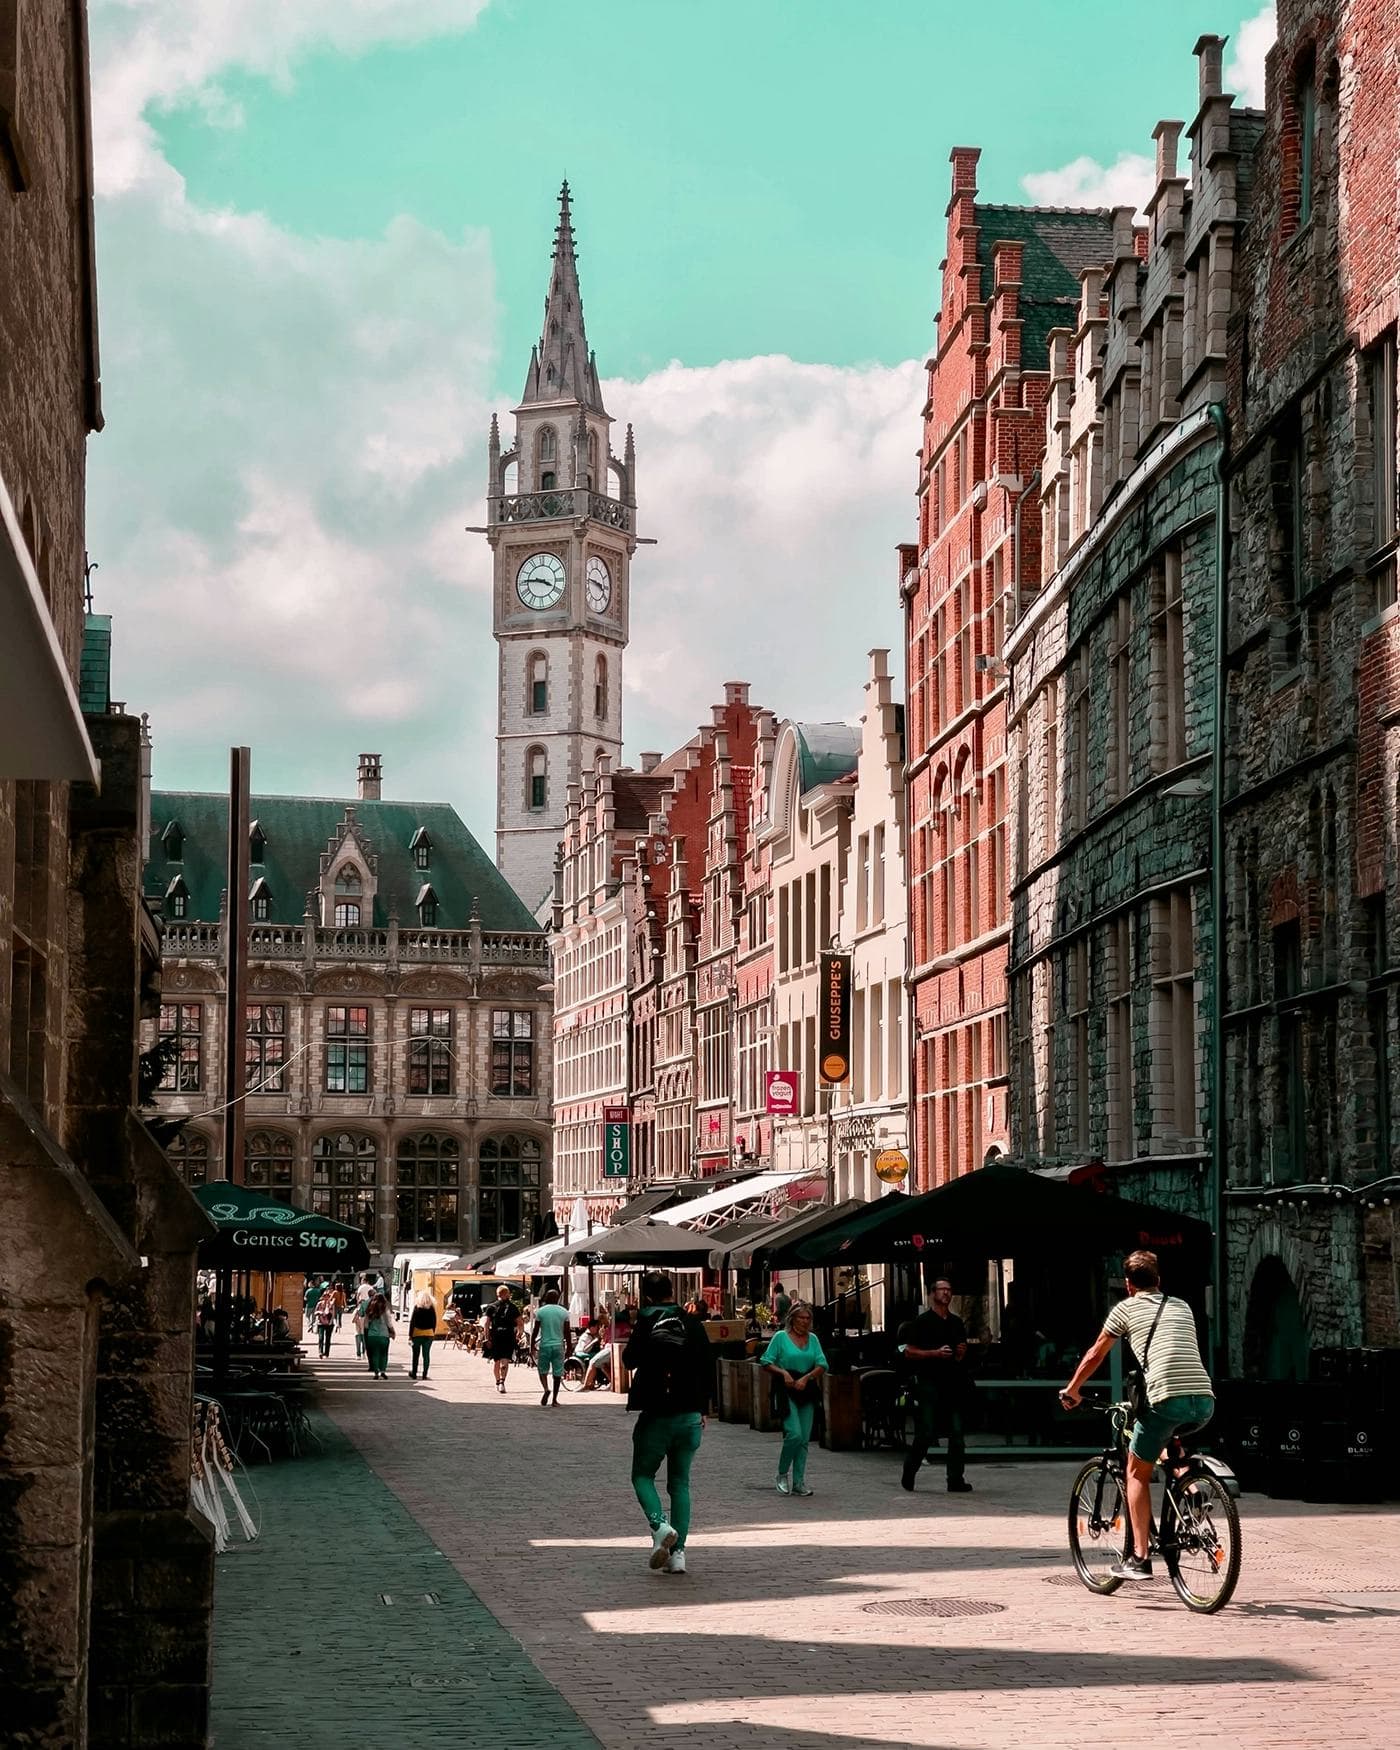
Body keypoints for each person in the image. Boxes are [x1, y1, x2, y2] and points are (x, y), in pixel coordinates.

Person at [1060, 1249, 1214, 1581]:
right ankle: (1191, 1490)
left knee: (1136, 1472)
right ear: (1159, 1281)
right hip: (1203, 1400)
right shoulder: (1181, 1306)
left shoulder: (1124, 1310)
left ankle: (1140, 1557)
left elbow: (1095, 1353)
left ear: (1128, 1285)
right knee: (1169, 1440)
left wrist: (1072, 1389)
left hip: (1164, 1398)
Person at [622, 1270, 714, 1577]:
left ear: (646, 1295)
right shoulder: (692, 1323)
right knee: (680, 1484)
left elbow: (629, 1360)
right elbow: (707, 1363)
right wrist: (704, 1407)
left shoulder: (647, 1320)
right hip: (690, 1415)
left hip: (658, 1413)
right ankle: (679, 1555)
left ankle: (660, 1525)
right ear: (672, 1290)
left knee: (642, 1476)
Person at [899, 1278, 973, 1493]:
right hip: (929, 1383)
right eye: (943, 1290)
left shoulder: (956, 1322)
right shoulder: (921, 1322)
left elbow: (960, 1353)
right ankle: (910, 1470)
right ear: (933, 1293)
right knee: (926, 1432)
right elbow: (908, 1351)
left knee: (957, 1433)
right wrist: (934, 1353)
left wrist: (960, 1354)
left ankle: (955, 1479)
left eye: (949, 1290)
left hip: (953, 1384)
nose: (947, 1294)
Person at [762, 1302, 828, 1496]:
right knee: (794, 1434)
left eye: (808, 1318)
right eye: (801, 1318)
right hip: (786, 1390)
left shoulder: (813, 1339)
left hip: (806, 1390)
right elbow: (766, 1361)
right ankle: (782, 1474)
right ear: (792, 1318)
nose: (805, 1322)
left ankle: (799, 1481)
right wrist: (783, 1373)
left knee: (804, 1439)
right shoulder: (781, 1338)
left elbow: (822, 1364)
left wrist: (807, 1377)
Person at [533, 1287, 570, 1406]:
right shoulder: (564, 1312)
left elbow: (536, 1329)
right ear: (557, 1298)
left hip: (545, 1345)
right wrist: (569, 1347)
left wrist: (532, 1344)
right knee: (557, 1373)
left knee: (542, 1370)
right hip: (559, 1346)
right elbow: (567, 1332)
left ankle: (545, 1389)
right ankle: (554, 1399)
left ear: (546, 1298)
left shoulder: (540, 1311)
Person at [486, 1285, 522, 1393]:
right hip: (508, 1335)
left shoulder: (491, 1307)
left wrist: (487, 1338)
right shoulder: (513, 1307)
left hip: (496, 1336)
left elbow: (486, 1324)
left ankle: (499, 1382)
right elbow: (520, 1322)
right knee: (504, 1360)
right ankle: (502, 1381)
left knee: (497, 1360)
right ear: (507, 1294)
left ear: (497, 1294)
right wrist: (519, 1334)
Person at [359, 1291, 396, 1379]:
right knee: (384, 1354)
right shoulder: (385, 1309)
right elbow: (389, 1322)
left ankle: (376, 1372)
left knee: (375, 1354)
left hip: (372, 1336)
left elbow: (366, 1325)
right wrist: (393, 1331)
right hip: (384, 1335)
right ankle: (383, 1371)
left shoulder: (369, 1310)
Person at [408, 1291, 438, 1380]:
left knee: (415, 1355)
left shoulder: (417, 1307)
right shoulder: (432, 1308)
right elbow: (434, 1322)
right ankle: (424, 1374)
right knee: (426, 1355)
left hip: (417, 1333)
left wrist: (410, 1335)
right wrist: (433, 1332)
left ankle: (414, 1373)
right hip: (429, 1334)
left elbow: (412, 1322)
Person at [352, 1273, 376, 1358]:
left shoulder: (361, 1287)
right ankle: (364, 1352)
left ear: (363, 1280)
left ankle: (358, 1353)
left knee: (358, 1333)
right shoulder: (371, 1288)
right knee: (365, 1333)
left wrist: (357, 1303)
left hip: (360, 1308)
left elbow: (357, 1296)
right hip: (369, 1309)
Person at [313, 1285, 337, 1357]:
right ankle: (320, 1352)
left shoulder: (331, 1304)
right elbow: (315, 1312)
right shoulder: (319, 1304)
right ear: (323, 1297)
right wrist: (319, 1313)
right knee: (321, 1338)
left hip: (329, 1323)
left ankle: (326, 1353)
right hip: (320, 1322)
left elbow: (333, 1314)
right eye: (325, 1296)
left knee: (328, 1339)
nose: (326, 1298)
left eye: (327, 1296)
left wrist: (331, 1321)